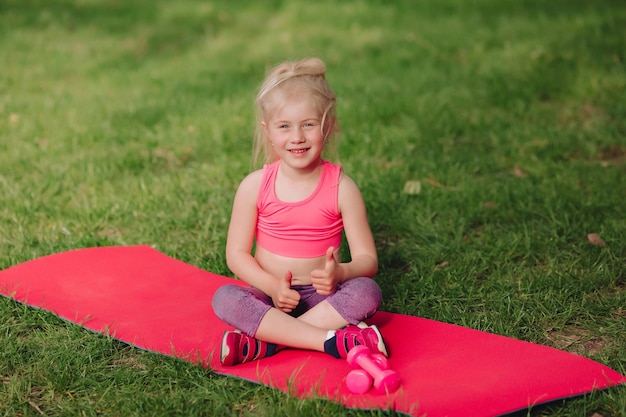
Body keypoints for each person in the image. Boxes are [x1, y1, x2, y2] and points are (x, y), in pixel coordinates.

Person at [212, 57, 387, 366]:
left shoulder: (342, 188)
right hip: (270, 296)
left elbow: (367, 260)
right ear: (268, 131)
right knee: (225, 298)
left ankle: (267, 344)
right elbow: (236, 255)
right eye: (284, 126)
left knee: (366, 292)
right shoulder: (254, 186)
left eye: (308, 124)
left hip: (324, 299)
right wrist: (271, 286)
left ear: (327, 125)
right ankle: (327, 341)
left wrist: (341, 273)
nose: (297, 137)